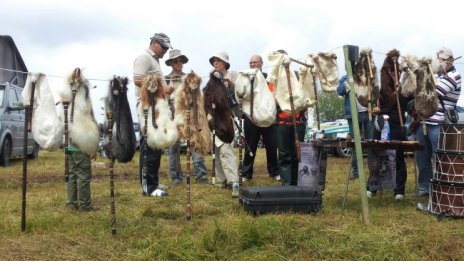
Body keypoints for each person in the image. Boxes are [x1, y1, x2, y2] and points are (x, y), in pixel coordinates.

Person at [416, 47, 461, 196]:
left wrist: (424, 73)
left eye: (441, 60)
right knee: (422, 157)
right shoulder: (437, 74)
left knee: (440, 157)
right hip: (424, 121)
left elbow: (433, 93)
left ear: (450, 61)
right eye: (438, 59)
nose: (438, 62)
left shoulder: (455, 76)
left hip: (440, 123)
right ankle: (425, 188)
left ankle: (443, 188)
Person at [133, 32, 174, 197]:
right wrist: (162, 88)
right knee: (148, 147)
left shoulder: (154, 60)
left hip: (156, 107)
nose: (165, 51)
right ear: (155, 44)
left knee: (156, 146)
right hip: (147, 107)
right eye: (163, 48)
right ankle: (148, 187)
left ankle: (153, 182)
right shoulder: (144, 58)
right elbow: (137, 79)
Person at [164, 49, 208, 185]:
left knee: (195, 144)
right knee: (173, 149)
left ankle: (201, 176)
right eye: (176, 61)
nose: (179, 63)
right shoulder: (165, 80)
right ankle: (176, 178)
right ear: (171, 63)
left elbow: (198, 98)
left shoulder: (190, 79)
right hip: (172, 117)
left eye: (181, 61)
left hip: (190, 116)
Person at [203, 51, 240, 197]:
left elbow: (238, 94)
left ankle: (234, 181)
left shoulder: (233, 76)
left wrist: (229, 85)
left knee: (226, 150)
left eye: (218, 61)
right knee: (217, 151)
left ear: (224, 63)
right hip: (214, 120)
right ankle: (221, 180)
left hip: (226, 121)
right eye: (214, 61)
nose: (215, 63)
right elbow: (206, 95)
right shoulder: (211, 80)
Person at [241, 54, 280, 182]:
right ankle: (246, 173)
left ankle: (274, 172)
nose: (252, 64)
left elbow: (274, 95)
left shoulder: (269, 78)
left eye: (255, 62)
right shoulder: (245, 78)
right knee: (250, 146)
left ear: (261, 63)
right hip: (251, 117)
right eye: (251, 62)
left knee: (271, 145)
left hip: (267, 117)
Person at [337, 75, 374, 180]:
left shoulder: (367, 75)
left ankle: (374, 172)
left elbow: (375, 91)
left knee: (371, 143)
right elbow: (339, 91)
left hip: (368, 112)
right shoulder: (345, 78)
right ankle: (356, 172)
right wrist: (346, 83)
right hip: (352, 115)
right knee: (355, 144)